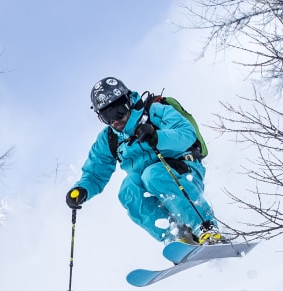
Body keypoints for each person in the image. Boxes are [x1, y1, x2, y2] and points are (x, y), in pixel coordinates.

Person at [65, 77, 222, 245]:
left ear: (128, 102)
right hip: (151, 183)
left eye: (118, 111)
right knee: (128, 190)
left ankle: (205, 227)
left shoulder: (155, 112)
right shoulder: (109, 138)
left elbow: (187, 134)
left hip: (183, 170)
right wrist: (82, 189)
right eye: (107, 117)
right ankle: (177, 237)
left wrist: (157, 137)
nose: (115, 121)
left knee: (153, 174)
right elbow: (95, 173)